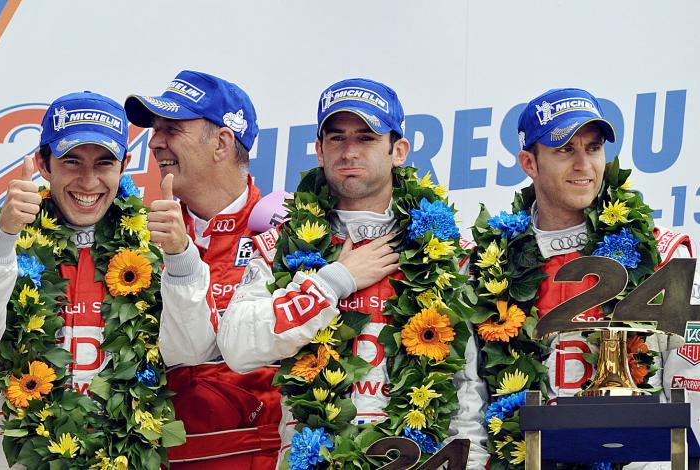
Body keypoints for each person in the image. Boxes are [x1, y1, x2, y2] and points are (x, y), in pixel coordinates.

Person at [218, 78, 489, 468]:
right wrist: (334, 281)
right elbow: (236, 347)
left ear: (398, 151)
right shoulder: (284, 245)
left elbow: (467, 393)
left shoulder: (446, 254)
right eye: (337, 138)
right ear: (319, 150)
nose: (349, 152)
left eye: (366, 138)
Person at [0, 91, 213, 468]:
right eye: (72, 161)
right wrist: (3, 237)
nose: (89, 181)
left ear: (123, 165)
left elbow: (191, 354)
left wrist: (181, 258)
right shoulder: (3, 242)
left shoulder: (156, 248)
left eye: (104, 163)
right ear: (44, 162)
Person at [471, 87, 700, 467]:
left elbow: (689, 394)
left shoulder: (664, 253)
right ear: (529, 163)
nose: (583, 164)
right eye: (565, 150)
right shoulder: (486, 266)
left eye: (592, 148)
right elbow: (471, 399)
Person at [124, 70, 281, 469]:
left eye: (172, 128)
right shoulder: (135, 240)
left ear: (222, 143)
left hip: (261, 455)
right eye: (156, 129)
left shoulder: (292, 229)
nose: (155, 141)